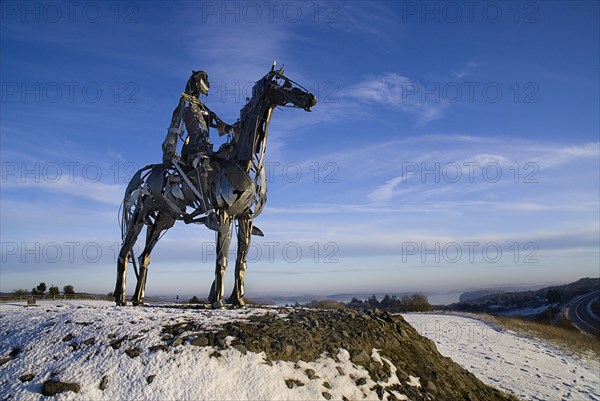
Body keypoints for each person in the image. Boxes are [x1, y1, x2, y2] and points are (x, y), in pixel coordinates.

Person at [161, 70, 233, 230]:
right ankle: (209, 213)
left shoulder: (202, 107)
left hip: (207, 148)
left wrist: (231, 128)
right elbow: (175, 125)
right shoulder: (184, 103)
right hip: (193, 150)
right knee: (202, 164)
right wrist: (170, 146)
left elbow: (218, 122)